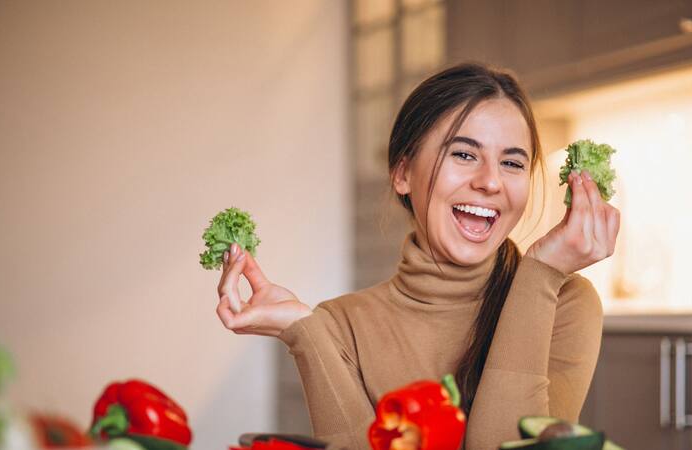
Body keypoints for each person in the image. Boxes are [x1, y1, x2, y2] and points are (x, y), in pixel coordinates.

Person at [215, 63, 620, 450]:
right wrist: (302, 330)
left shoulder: (562, 302)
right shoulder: (339, 326)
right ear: (403, 173)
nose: (491, 181)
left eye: (512, 162)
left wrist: (541, 274)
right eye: (463, 154)